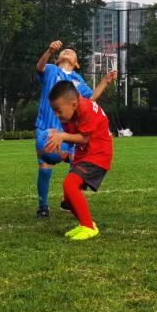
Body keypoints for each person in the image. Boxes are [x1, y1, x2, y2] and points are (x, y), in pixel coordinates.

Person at [32, 39, 108, 219]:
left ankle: (68, 199)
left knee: (76, 160)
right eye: (64, 51)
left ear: (77, 63)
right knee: (46, 164)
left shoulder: (78, 81)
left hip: (70, 130)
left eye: (72, 52)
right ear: (58, 59)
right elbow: (39, 67)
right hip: (47, 127)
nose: (68, 51)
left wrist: (104, 83)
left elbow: (90, 100)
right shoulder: (51, 69)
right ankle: (43, 206)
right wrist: (49, 50)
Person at [43, 80, 113, 241]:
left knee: (69, 184)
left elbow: (85, 139)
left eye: (58, 110)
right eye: (54, 110)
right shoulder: (70, 114)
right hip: (86, 154)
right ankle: (86, 224)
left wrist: (63, 136)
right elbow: (77, 140)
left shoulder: (85, 109)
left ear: (73, 104)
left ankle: (89, 227)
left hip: (98, 154)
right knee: (68, 196)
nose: (56, 114)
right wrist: (64, 154)